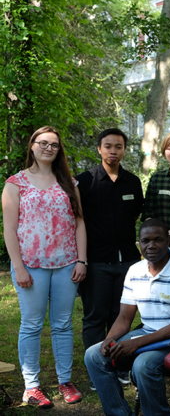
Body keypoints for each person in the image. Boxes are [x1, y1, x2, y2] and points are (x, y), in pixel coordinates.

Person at [2, 126, 87, 408]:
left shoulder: (69, 183)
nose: (49, 148)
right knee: (32, 324)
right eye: (43, 143)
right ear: (32, 146)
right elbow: (9, 229)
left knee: (63, 324)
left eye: (54, 145)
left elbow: (79, 223)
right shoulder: (15, 183)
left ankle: (65, 381)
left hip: (66, 265)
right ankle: (32, 387)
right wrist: (19, 267)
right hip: (31, 265)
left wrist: (81, 259)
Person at [84, 218, 170, 416]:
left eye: (158, 239)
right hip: (149, 333)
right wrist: (110, 339)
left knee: (143, 365)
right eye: (145, 240)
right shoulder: (135, 271)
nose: (151, 245)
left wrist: (137, 343)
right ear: (138, 243)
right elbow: (124, 317)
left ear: (168, 240)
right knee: (94, 355)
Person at [76, 128, 143, 385]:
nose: (113, 151)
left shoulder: (132, 182)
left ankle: (118, 365)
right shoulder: (85, 181)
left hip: (127, 261)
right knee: (95, 317)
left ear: (124, 149)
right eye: (108, 146)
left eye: (118, 146)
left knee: (121, 316)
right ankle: (98, 370)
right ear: (99, 149)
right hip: (96, 261)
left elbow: (135, 214)